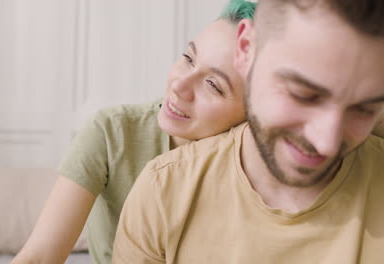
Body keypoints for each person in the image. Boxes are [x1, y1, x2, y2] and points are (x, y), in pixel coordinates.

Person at [112, 0, 384, 263]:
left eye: (363, 110)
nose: (327, 142)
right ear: (246, 49)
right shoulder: (163, 192)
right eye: (304, 95)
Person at [11, 1, 256, 263]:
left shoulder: (257, 168)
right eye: (188, 59)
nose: (179, 85)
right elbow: (39, 257)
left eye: (212, 84)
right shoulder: (110, 133)